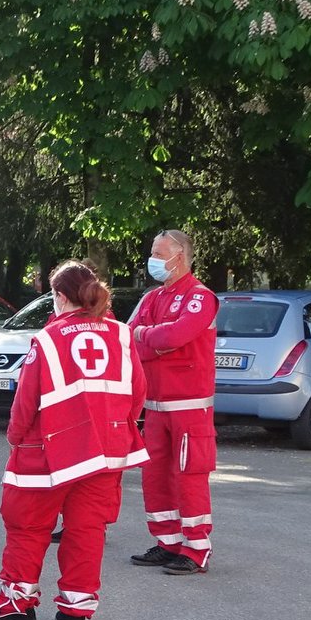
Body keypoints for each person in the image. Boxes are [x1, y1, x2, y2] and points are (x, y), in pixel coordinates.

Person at [0, 261, 147, 620]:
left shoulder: (48, 338)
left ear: (60, 296)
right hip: (106, 450)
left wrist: (15, 438)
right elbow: (137, 395)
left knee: (27, 526)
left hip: (47, 450)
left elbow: (25, 402)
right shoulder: (121, 334)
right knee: (87, 530)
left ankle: (16, 606)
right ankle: (75, 612)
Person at [126, 229, 218, 576]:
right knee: (154, 475)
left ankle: (196, 549)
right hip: (155, 405)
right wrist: (155, 339)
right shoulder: (152, 298)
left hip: (189, 406)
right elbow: (130, 335)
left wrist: (150, 337)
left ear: (179, 257)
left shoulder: (200, 297)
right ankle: (168, 542)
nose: (153, 259)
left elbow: (176, 335)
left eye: (159, 253)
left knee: (189, 476)